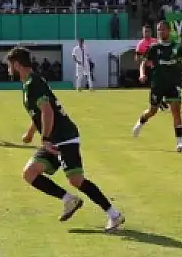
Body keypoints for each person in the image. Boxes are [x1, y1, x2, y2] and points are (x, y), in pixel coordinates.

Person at [7, 47, 124, 230]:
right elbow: (39, 113)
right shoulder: (30, 83)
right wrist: (31, 132)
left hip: (63, 137)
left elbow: (47, 111)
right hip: (54, 138)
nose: (8, 69)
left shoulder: (33, 83)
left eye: (9, 65)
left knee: (76, 180)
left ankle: (114, 215)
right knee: (30, 173)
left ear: (16, 64)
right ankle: (69, 200)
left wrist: (45, 138)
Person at [132, 21, 182, 152]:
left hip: (173, 83)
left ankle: (180, 142)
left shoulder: (176, 47)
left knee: (176, 111)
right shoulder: (154, 48)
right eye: (159, 30)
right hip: (158, 84)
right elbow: (143, 63)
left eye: (163, 29)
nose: (160, 32)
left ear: (169, 30)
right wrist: (142, 74)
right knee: (152, 111)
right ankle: (141, 122)